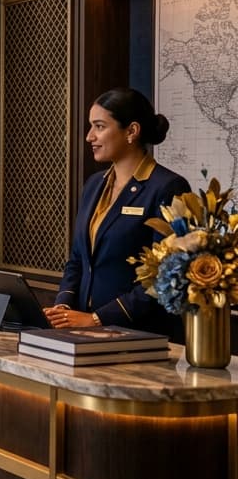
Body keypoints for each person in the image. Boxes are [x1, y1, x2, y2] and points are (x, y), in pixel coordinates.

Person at [47, 87, 189, 335]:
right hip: (84, 331)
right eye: (91, 126)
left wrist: (97, 319)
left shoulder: (169, 188)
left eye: (99, 126)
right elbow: (78, 259)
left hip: (141, 334)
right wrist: (63, 306)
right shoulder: (94, 185)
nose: (89, 136)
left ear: (132, 131)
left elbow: (167, 276)